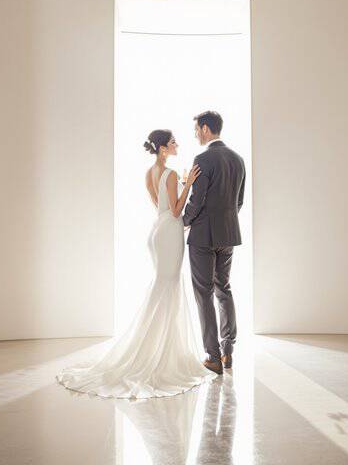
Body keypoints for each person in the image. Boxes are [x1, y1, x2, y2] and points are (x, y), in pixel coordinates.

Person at [56, 129, 213, 399]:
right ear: (163, 148)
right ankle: (161, 354)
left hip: (157, 231)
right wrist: (188, 184)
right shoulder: (172, 174)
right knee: (169, 286)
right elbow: (176, 210)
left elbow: (159, 206)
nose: (177, 145)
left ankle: (154, 348)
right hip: (170, 230)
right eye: (173, 142)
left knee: (162, 287)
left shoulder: (148, 173)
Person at [182, 111, 246, 375]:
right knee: (224, 289)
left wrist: (184, 220)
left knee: (203, 293)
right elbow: (238, 201)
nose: (196, 134)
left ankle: (212, 356)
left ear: (206, 129)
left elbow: (197, 200)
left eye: (196, 129)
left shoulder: (203, 159)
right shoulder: (238, 159)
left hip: (202, 236)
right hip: (228, 234)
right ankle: (228, 352)